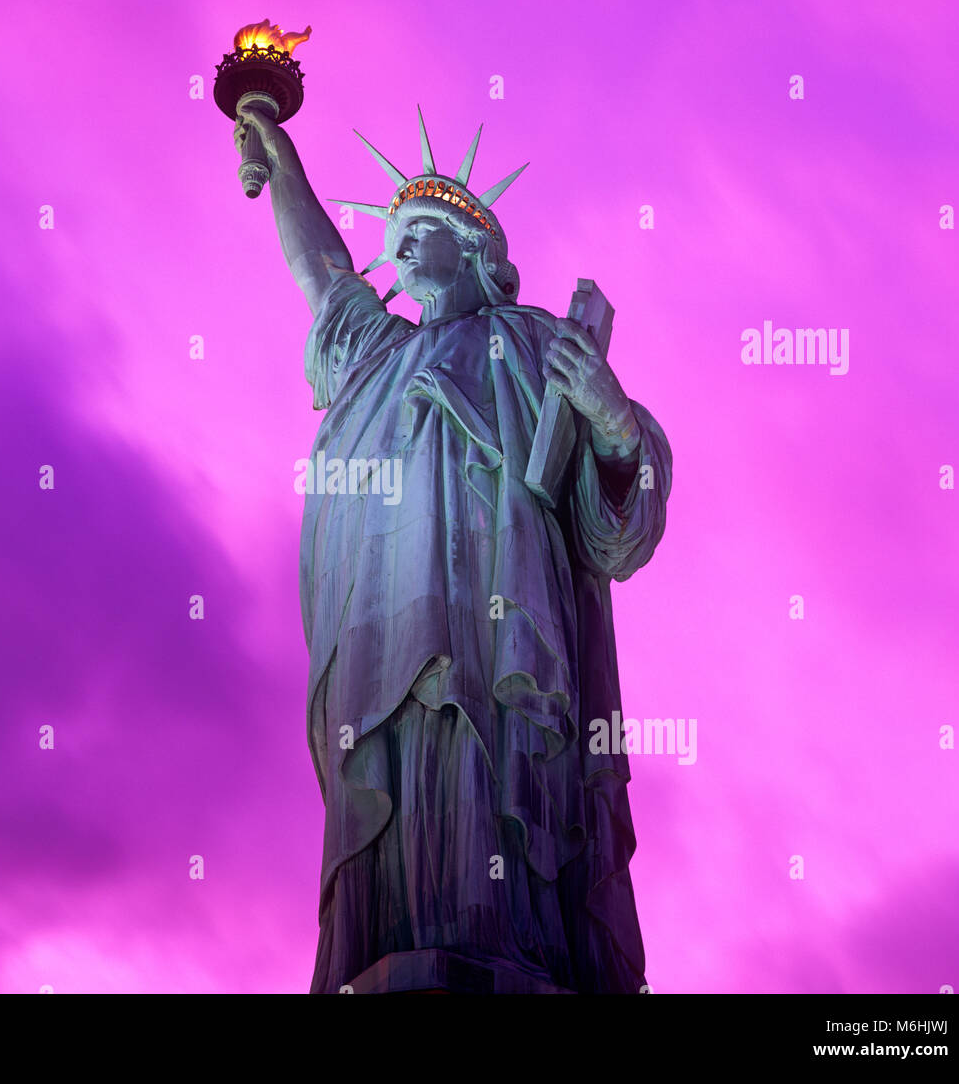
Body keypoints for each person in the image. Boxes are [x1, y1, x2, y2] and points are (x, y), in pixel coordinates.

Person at [234, 103, 673, 993]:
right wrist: (282, 164)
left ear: (475, 251)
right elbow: (323, 273)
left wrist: (613, 418)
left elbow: (619, 532)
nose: (395, 248)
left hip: (503, 625)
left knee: (493, 777)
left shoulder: (536, 342)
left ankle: (504, 944)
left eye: (415, 230)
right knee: (396, 796)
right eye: (391, 235)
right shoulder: (374, 359)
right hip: (379, 636)